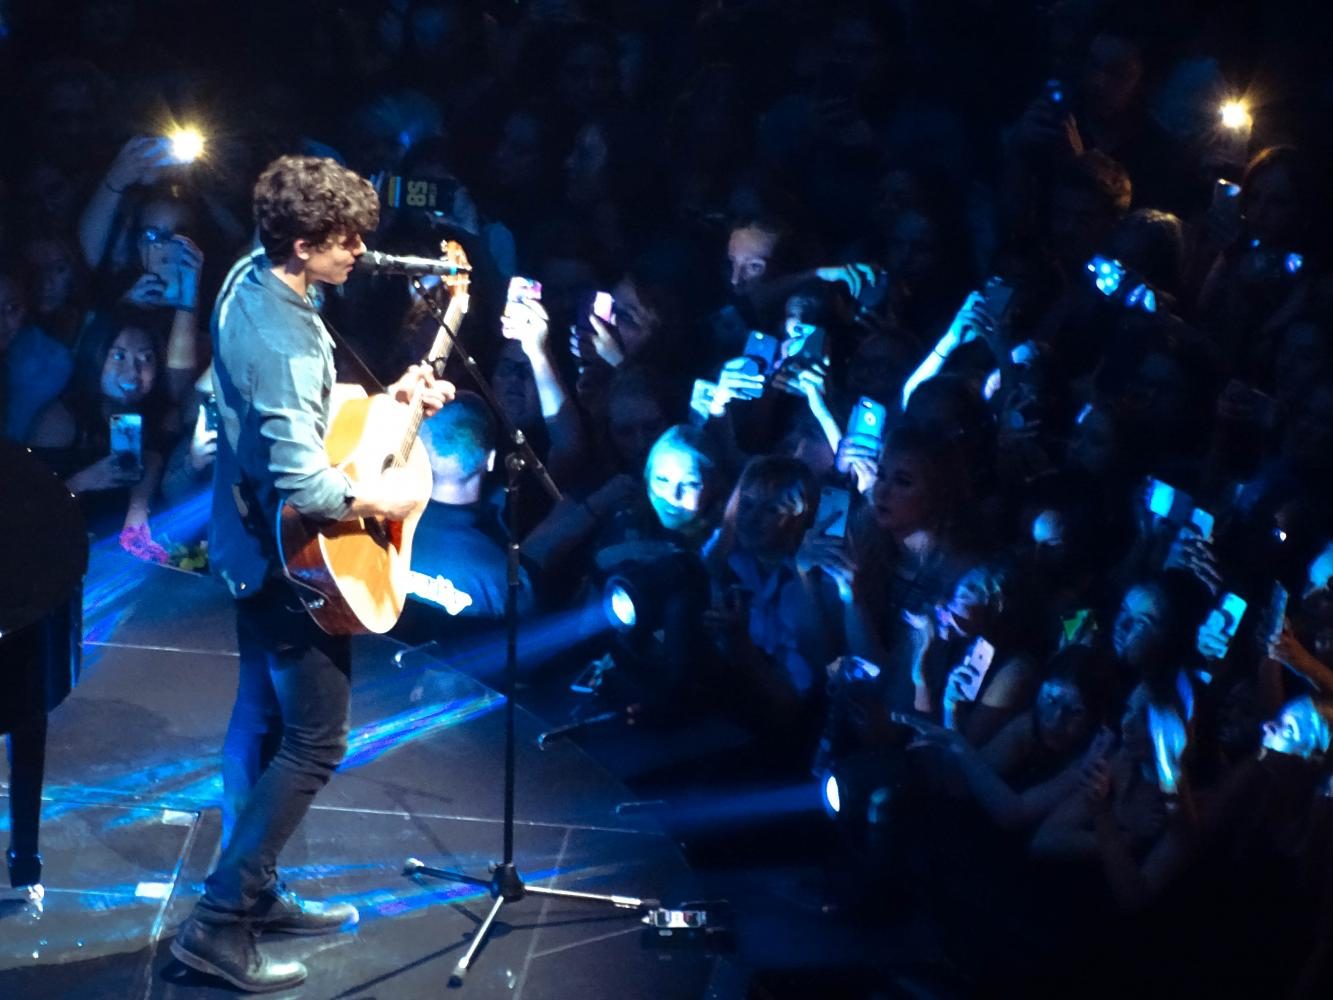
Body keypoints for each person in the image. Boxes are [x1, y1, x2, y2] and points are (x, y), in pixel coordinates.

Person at [172, 155, 453, 993]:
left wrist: (387, 405)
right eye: (343, 242)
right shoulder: (288, 340)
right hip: (289, 564)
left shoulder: (250, 275)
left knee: (259, 720)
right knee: (315, 740)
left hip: (244, 544)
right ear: (301, 243)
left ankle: (250, 889)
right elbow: (307, 486)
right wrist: (391, 491)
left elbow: (278, 425)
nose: (359, 253)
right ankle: (219, 922)